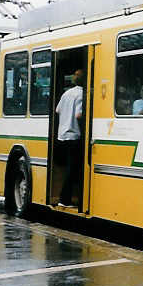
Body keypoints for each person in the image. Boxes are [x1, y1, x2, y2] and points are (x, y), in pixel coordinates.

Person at [55, 69, 85, 206]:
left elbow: (58, 110)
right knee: (73, 169)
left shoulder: (67, 93)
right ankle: (65, 199)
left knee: (71, 168)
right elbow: (79, 115)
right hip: (74, 136)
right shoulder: (82, 94)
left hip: (62, 136)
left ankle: (72, 197)